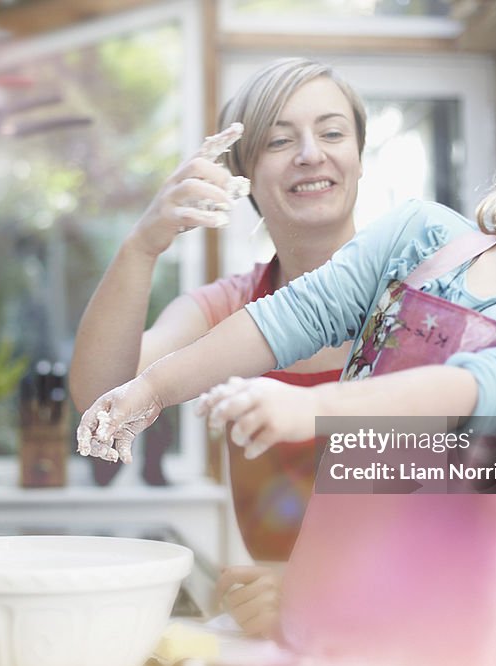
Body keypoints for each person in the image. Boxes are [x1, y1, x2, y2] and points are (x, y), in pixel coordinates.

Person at [76, 113, 496, 666]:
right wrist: (153, 387)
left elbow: (463, 390)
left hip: (453, 632)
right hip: (325, 608)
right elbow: (295, 314)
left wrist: (313, 407)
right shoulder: (418, 233)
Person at [68, 58, 368, 636]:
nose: (311, 153)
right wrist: (141, 246)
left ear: (359, 157)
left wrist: (318, 586)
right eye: (280, 140)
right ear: (244, 172)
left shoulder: (427, 297)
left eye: (332, 133)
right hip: (281, 640)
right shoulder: (229, 308)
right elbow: (102, 397)